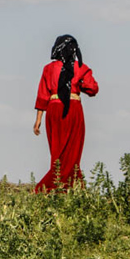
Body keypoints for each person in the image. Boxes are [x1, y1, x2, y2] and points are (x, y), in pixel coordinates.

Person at [32, 35, 98, 192]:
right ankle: (57, 187)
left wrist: (38, 120)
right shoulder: (81, 68)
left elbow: (43, 95)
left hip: (54, 109)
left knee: (57, 151)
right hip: (73, 108)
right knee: (72, 151)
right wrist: (78, 84)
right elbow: (93, 88)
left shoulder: (48, 69)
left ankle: (58, 185)